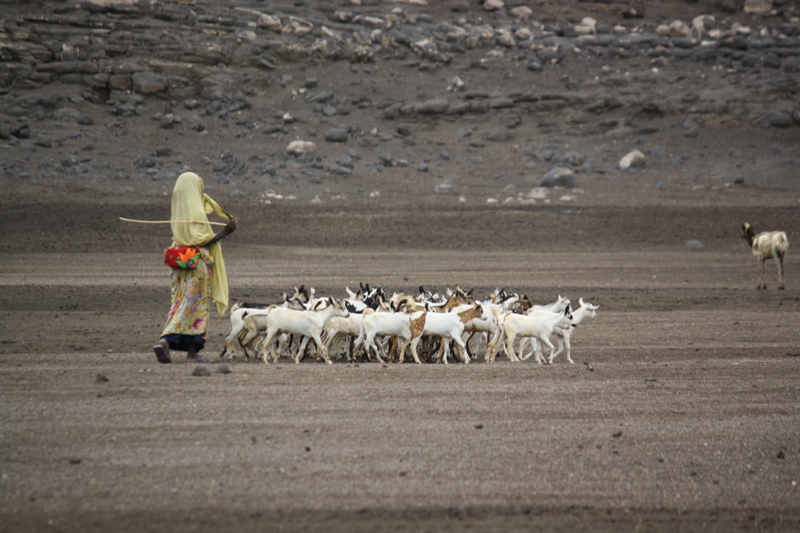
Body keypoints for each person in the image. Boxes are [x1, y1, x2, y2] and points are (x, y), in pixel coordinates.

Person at [154, 172, 237, 363]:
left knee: (180, 303)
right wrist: (225, 232)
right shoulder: (196, 213)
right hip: (196, 266)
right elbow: (201, 241)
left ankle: (168, 344)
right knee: (196, 307)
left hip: (178, 264)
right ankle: (178, 346)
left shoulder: (178, 209)